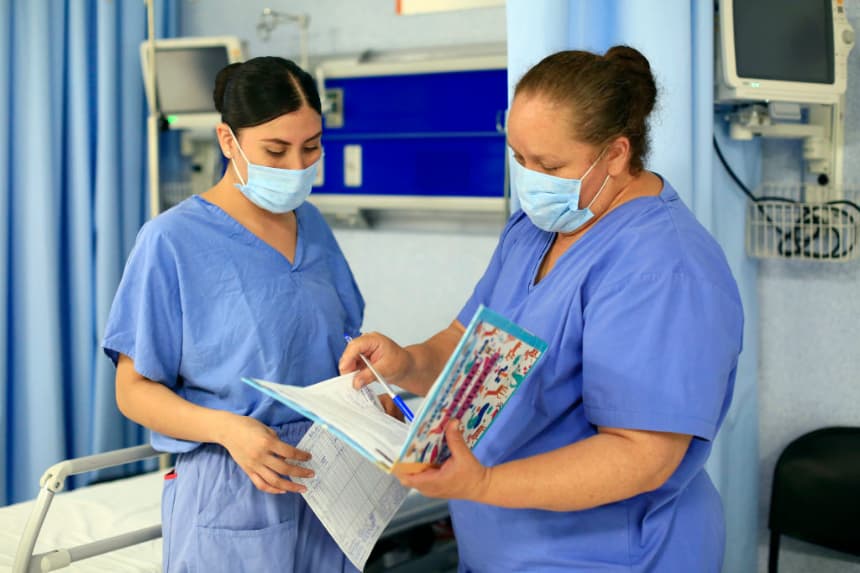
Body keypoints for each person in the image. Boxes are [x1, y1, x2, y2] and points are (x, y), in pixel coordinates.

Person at [340, 46, 743, 572]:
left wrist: (482, 483)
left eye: (549, 165)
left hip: (610, 555)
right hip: (506, 547)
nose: (531, 179)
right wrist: (407, 363)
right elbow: (469, 343)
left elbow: (641, 456)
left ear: (617, 154)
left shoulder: (664, 267)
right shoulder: (536, 229)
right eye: (520, 158)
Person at [103, 57, 364, 572]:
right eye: (275, 150)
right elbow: (132, 391)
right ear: (228, 141)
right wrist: (227, 429)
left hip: (327, 482)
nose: (296, 166)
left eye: (310, 147)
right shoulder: (171, 242)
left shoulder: (313, 228)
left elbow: (331, 343)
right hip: (233, 483)